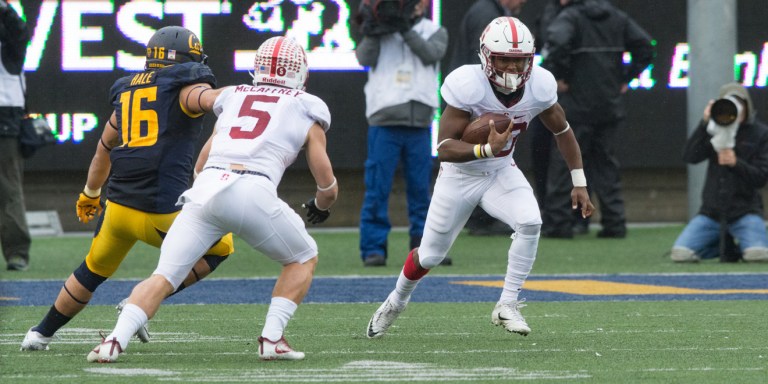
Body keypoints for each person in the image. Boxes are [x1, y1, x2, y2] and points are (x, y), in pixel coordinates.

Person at [86, 36, 338, 363]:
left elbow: (201, 164)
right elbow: (326, 182)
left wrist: (213, 208)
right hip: (252, 189)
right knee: (303, 257)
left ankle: (113, 342)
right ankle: (272, 339)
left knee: (163, 277)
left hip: (205, 189)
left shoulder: (234, 96)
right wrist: (321, 205)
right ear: (301, 73)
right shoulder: (307, 105)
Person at [366, 17, 594, 339]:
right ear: (487, 57)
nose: (513, 68)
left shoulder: (540, 85)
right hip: (459, 175)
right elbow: (443, 147)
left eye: (519, 60)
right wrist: (486, 149)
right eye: (505, 59)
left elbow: (563, 131)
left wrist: (579, 181)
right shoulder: (467, 84)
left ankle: (507, 304)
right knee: (431, 254)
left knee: (530, 222)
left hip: (500, 170)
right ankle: (397, 300)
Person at [21, 26, 234, 351]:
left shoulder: (129, 94)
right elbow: (208, 98)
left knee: (90, 271)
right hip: (163, 211)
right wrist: (248, 95)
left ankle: (40, 333)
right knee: (222, 246)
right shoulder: (186, 89)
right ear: (188, 59)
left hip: (117, 209)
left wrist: (90, 193)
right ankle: (141, 300)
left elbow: (103, 148)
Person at [540, 0, 653, 238]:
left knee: (564, 162)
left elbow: (556, 43)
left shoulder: (570, 17)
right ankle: (614, 223)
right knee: (606, 165)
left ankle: (559, 224)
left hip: (576, 104)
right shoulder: (617, 17)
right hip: (608, 105)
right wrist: (624, 76)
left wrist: (561, 75)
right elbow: (645, 46)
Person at [356, 0, 448, 267]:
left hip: (419, 123)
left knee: (421, 190)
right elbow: (364, 58)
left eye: (418, 3)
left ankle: (425, 247)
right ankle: (374, 248)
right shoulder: (380, 31)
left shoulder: (435, 30)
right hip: (384, 121)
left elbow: (431, 54)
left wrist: (404, 28)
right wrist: (375, 30)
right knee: (377, 187)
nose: (413, 6)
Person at [448, 0, 527, 236]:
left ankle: (480, 214)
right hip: (475, 98)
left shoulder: (487, 11)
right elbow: (484, 62)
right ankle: (479, 216)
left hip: (474, 96)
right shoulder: (489, 17)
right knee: (477, 153)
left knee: (486, 153)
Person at [670, 83, 768, 263]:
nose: (734, 110)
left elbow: (761, 177)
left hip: (745, 211)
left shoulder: (760, 133)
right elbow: (690, 156)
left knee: (758, 254)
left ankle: (738, 248)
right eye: (727, 103)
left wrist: (736, 163)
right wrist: (705, 123)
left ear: (747, 105)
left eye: (739, 104)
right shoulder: (712, 130)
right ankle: (723, 247)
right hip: (711, 213)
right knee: (681, 253)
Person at [0, 0, 32, 271]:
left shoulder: (10, 48)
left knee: (8, 188)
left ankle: (17, 252)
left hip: (4, 121)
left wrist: (4, 8)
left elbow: (20, 31)